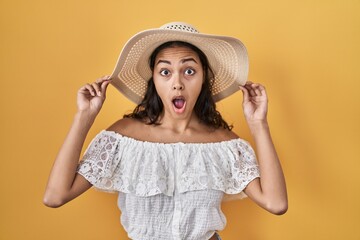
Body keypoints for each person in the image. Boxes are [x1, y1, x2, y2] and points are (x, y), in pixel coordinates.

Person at [43, 22, 287, 240]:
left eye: (189, 71)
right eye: (165, 72)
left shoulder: (224, 145)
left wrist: (258, 124)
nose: (177, 82)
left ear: (204, 78)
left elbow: (276, 203)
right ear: (154, 80)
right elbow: (55, 196)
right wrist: (83, 117)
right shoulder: (122, 138)